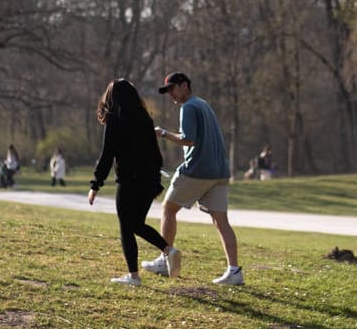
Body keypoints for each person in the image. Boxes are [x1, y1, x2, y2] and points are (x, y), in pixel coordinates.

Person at [145, 72, 242, 285]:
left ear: (185, 85)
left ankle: (164, 260)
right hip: (220, 172)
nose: (170, 93)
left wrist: (162, 133)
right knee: (221, 220)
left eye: (173, 88)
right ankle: (234, 271)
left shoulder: (188, 107)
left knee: (168, 208)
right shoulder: (204, 104)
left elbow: (188, 140)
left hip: (197, 170)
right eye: (167, 90)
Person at [87, 79, 178, 286]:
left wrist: (95, 185)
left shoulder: (114, 120)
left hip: (129, 181)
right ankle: (168, 250)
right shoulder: (145, 119)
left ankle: (134, 276)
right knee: (137, 224)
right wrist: (155, 179)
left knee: (126, 228)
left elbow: (106, 156)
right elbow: (156, 155)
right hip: (149, 180)